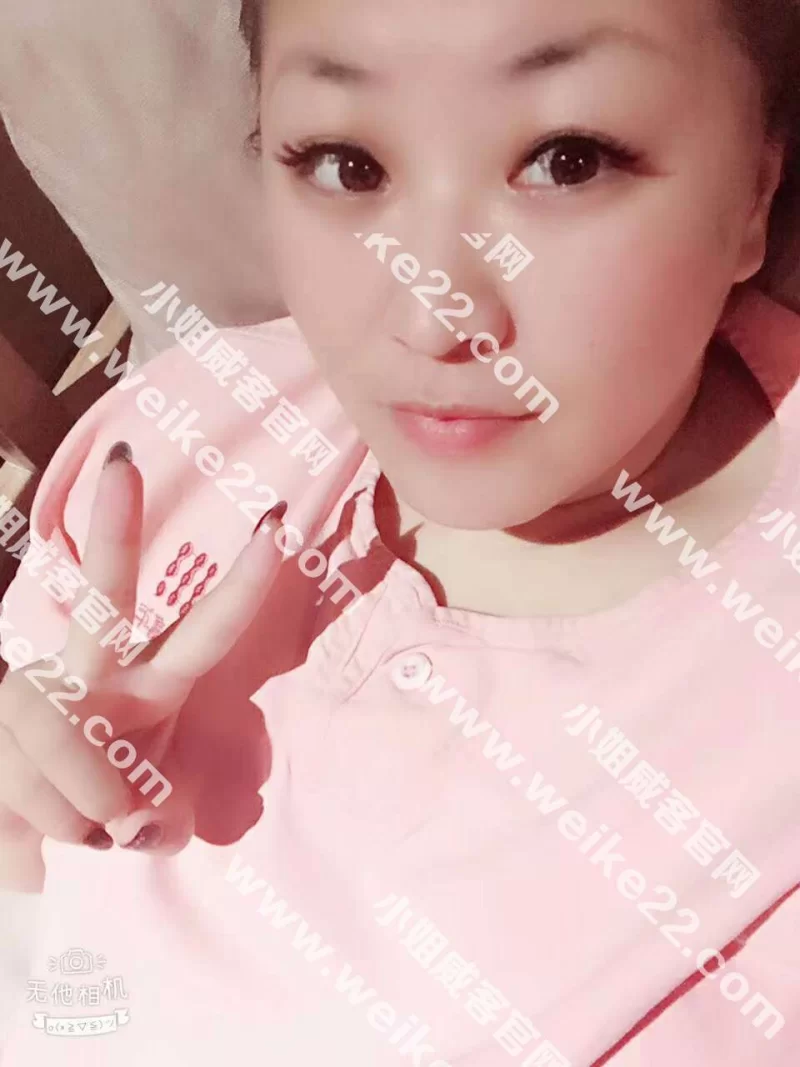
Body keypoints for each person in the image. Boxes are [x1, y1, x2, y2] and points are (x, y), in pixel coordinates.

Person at [0, 0, 799, 1063]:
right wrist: (29, 793)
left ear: (754, 193)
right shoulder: (184, 429)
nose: (431, 315)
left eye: (566, 161)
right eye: (347, 164)